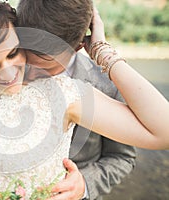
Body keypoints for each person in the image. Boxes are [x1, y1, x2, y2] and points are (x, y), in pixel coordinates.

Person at [0, 0, 169, 199]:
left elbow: (162, 133)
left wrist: (102, 51)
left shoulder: (67, 94)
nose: (11, 74)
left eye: (14, 53)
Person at [16, 0, 136, 199]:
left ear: (79, 46)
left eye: (46, 65)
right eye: (27, 55)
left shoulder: (109, 84)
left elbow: (122, 158)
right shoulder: (7, 69)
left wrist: (84, 185)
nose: (31, 71)